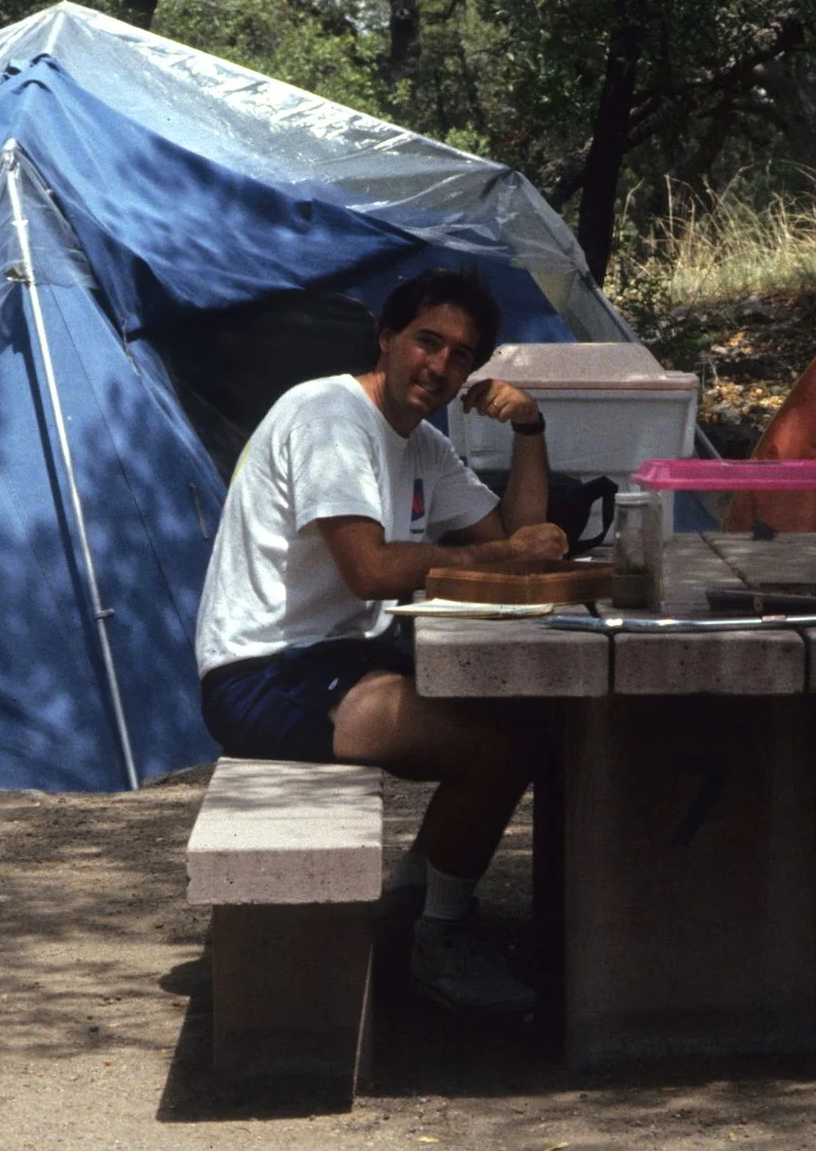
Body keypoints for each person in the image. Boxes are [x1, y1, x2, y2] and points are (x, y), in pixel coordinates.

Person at [194, 269, 564, 1014]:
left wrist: (529, 429)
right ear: (388, 340)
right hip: (264, 672)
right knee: (495, 747)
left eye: (462, 356)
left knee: (531, 708)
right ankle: (439, 933)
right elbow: (369, 571)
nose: (440, 366)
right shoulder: (330, 415)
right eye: (428, 341)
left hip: (342, 655)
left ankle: (414, 899)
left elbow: (519, 539)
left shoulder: (420, 442)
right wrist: (498, 559)